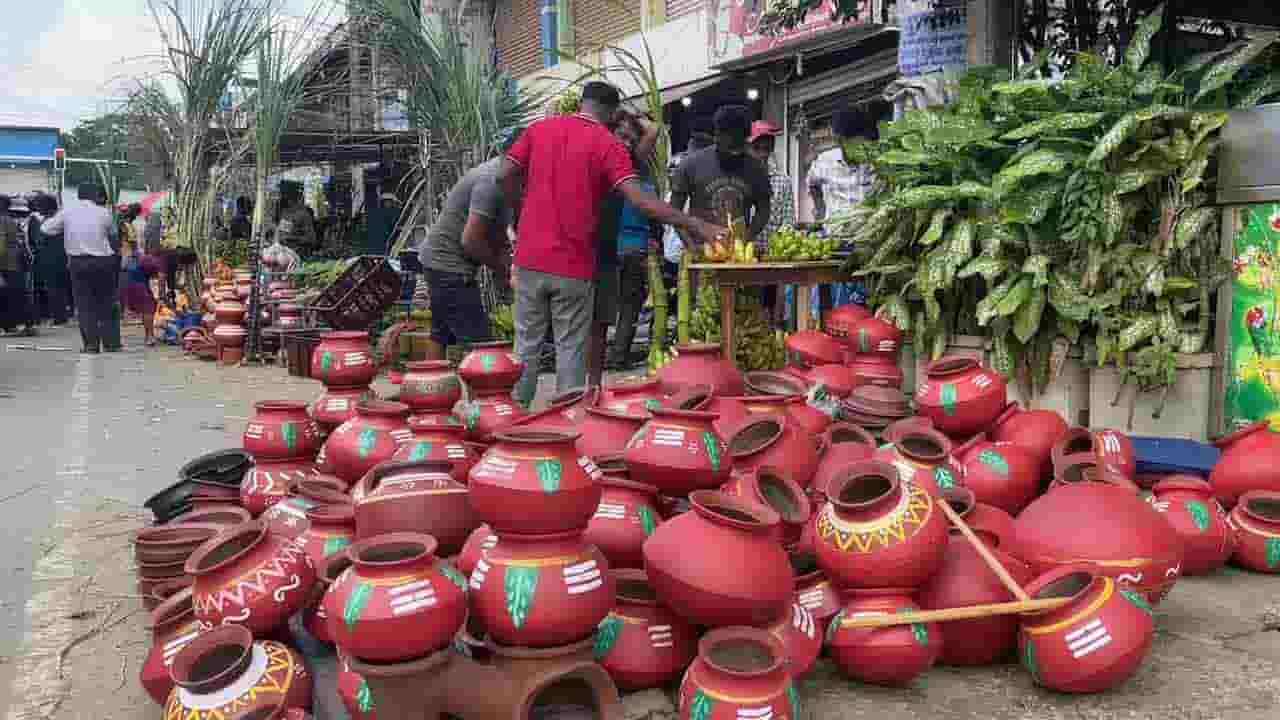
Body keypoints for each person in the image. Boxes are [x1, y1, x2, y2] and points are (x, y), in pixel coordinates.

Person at [499, 80, 723, 406]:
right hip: (573, 265)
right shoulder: (607, 144)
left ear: (582, 103)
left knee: (526, 347)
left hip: (530, 259)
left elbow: (503, 174)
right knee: (570, 349)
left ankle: (514, 424)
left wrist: (522, 212)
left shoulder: (539, 129)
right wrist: (695, 222)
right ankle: (565, 428)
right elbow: (642, 201)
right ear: (611, 111)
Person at [421, 135, 519, 362]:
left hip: (438, 261)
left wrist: (506, 267)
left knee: (441, 334)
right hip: (448, 266)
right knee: (482, 346)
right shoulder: (490, 182)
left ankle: (425, 388)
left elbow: (497, 231)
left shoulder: (506, 179)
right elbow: (470, 241)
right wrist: (501, 269)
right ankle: (485, 397)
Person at [590, 111, 661, 384]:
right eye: (622, 136)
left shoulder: (630, 168)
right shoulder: (624, 170)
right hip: (613, 246)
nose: (628, 144)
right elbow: (653, 130)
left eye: (632, 140)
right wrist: (633, 117)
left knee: (623, 305)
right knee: (617, 305)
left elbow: (653, 132)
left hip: (630, 247)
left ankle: (612, 357)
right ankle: (614, 356)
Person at [803, 105, 880, 315]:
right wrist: (820, 213)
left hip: (868, 249)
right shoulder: (826, 162)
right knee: (831, 311)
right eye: (858, 143)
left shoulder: (877, 163)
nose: (864, 149)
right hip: (835, 246)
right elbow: (812, 182)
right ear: (841, 140)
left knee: (864, 311)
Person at [670, 105, 772, 252]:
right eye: (730, 148)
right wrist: (691, 245)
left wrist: (746, 238)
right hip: (701, 251)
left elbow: (764, 211)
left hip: (737, 255)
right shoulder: (690, 165)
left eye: (740, 147)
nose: (735, 153)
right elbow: (674, 212)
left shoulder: (756, 169)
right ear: (717, 136)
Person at [42, 184, 119, 353]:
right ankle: (112, 343)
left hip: (78, 263)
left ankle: (91, 345)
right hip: (103, 262)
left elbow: (46, 229)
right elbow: (113, 234)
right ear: (94, 196)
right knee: (107, 302)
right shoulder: (104, 213)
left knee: (85, 305)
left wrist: (66, 229)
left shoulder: (68, 212)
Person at [747, 120, 794, 325]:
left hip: (772, 257)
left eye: (767, 149)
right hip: (744, 258)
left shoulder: (782, 181)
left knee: (772, 310)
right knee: (747, 307)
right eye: (757, 149)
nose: (762, 154)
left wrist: (778, 250)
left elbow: (788, 220)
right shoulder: (740, 179)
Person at [120, 203, 160, 347]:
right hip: (135, 264)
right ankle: (149, 336)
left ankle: (127, 318)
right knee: (147, 302)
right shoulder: (132, 226)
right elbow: (136, 247)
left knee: (130, 297)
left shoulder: (125, 225)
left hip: (127, 264)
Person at [30, 194, 70, 325]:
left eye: (39, 205)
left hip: (52, 259)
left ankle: (59, 317)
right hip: (58, 258)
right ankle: (61, 315)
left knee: (54, 288)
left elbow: (39, 240)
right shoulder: (58, 218)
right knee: (58, 288)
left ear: (47, 206)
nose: (37, 208)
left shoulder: (51, 221)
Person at [2, 196, 38, 335]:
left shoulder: (3, 221)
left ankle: (15, 325)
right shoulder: (11, 221)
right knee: (18, 294)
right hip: (16, 263)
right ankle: (25, 325)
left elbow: (1, 245)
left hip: (6, 264)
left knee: (9, 296)